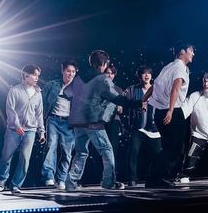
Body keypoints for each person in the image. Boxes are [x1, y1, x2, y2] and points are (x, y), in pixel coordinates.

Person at [65, 50, 141, 191]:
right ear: (104, 64)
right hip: (92, 121)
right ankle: (108, 182)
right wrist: (137, 103)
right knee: (106, 149)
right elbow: (117, 98)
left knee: (81, 152)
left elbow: (67, 92)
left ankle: (70, 183)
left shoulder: (78, 78)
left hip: (77, 121)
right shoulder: (102, 79)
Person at [144, 42, 196, 188]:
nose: (193, 54)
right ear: (182, 52)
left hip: (159, 112)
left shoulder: (167, 67)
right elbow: (176, 88)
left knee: (167, 148)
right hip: (172, 111)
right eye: (191, 50)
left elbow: (154, 86)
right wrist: (171, 110)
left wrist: (144, 100)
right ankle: (157, 177)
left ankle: (155, 178)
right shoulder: (180, 67)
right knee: (176, 149)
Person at [0, 64, 46, 193]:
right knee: (6, 156)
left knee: (24, 158)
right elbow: (10, 110)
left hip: (31, 130)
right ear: (25, 75)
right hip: (14, 130)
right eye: (34, 75)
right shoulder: (15, 91)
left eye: (38, 76)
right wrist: (17, 126)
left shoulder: (38, 93)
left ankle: (16, 185)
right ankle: (2, 180)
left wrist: (41, 132)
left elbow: (39, 114)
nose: (36, 78)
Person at [40, 60, 78, 189]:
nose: (70, 74)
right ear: (63, 71)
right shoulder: (53, 85)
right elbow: (41, 101)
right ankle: (49, 176)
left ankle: (61, 178)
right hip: (53, 120)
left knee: (67, 152)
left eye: (73, 71)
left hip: (69, 124)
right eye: (68, 71)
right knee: (51, 146)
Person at [123, 66, 161, 186]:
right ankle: (132, 179)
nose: (146, 75)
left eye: (148, 73)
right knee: (133, 153)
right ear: (139, 76)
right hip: (139, 126)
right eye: (144, 73)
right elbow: (123, 100)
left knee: (157, 156)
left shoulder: (157, 89)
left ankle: (156, 178)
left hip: (155, 128)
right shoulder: (132, 89)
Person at [103, 64, 127, 181]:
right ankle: (102, 175)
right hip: (100, 122)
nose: (110, 75)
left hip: (114, 121)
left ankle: (112, 177)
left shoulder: (118, 89)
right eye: (107, 73)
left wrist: (118, 107)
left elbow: (121, 110)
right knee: (100, 149)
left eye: (112, 73)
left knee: (113, 149)